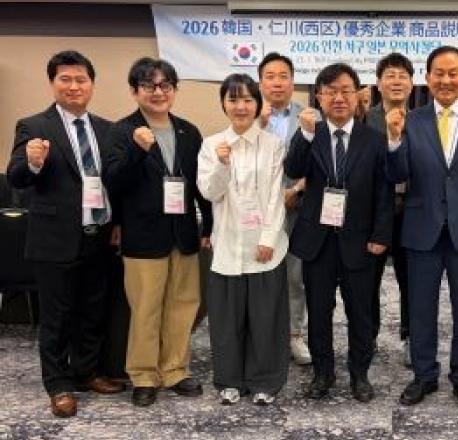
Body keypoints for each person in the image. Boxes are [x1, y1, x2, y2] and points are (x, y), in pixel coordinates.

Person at [385, 46, 458, 413]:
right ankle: (424, 375)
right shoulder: (411, 120)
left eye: (453, 73)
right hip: (422, 229)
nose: (446, 80)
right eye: (439, 73)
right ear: (427, 77)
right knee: (421, 308)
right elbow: (397, 175)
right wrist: (394, 140)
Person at [6, 50, 124, 418]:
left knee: (93, 309)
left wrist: (117, 223)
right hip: (54, 237)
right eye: (65, 79)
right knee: (56, 317)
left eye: (81, 80)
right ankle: (58, 385)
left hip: (98, 234)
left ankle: (86, 372)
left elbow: (114, 182)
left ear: (92, 85)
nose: (74, 86)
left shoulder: (106, 129)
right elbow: (16, 177)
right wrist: (33, 163)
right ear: (53, 83)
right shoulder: (33, 126)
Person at [103, 57, 213, 407]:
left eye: (165, 85)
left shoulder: (188, 131)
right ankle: (144, 375)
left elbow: (199, 184)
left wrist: (209, 225)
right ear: (134, 91)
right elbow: (113, 182)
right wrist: (137, 150)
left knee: (183, 305)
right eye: (148, 85)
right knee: (146, 309)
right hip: (143, 236)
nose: (158, 92)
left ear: (174, 90)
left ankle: (175, 370)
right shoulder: (122, 131)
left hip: (183, 233)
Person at [284, 63, 393, 403]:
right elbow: (293, 169)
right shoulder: (309, 134)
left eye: (346, 90)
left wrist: (381, 235)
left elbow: (384, 192)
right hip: (318, 241)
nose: (339, 98)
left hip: (359, 240)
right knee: (319, 312)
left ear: (358, 95)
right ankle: (323, 373)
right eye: (330, 91)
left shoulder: (373, 140)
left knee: (360, 312)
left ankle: (360, 375)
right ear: (319, 97)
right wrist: (304, 135)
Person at [197, 73, 289, 405]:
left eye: (248, 99)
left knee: (266, 318)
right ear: (223, 103)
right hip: (227, 244)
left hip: (264, 246)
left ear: (258, 104)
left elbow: (276, 197)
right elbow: (210, 192)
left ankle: (265, 381)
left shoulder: (273, 144)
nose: (241, 106)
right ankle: (229, 380)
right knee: (227, 319)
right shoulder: (211, 145)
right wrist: (222, 164)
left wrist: (268, 238)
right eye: (233, 99)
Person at [257, 52, 312, 366]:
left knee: (295, 275)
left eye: (283, 76)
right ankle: (263, 336)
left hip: (297, 206)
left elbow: (319, 161)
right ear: (260, 83)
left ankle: (294, 335)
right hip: (257, 211)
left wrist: (296, 190)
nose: (277, 83)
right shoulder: (248, 115)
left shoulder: (309, 117)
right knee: (260, 273)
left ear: (293, 82)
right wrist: (258, 124)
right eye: (270, 76)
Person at [364, 52, 414, 365]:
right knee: (369, 280)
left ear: (412, 83)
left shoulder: (422, 120)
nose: (396, 81)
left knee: (412, 280)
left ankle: (411, 336)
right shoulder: (365, 120)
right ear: (379, 84)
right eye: (390, 76)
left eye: (402, 76)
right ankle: (367, 336)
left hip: (411, 211)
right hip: (374, 213)